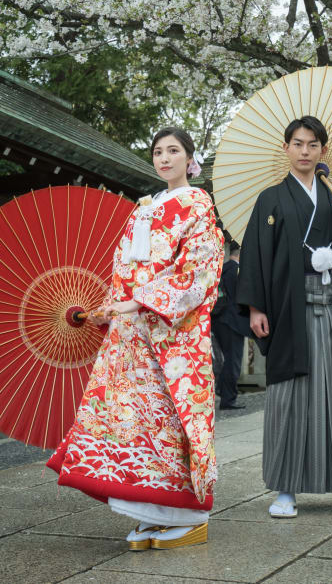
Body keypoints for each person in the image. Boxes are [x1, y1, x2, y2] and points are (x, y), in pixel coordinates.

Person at [47, 127, 224, 550]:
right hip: (129, 335)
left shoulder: (199, 206)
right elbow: (122, 272)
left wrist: (140, 301)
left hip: (169, 335)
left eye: (174, 151)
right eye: (158, 151)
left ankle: (186, 515)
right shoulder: (144, 208)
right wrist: (109, 309)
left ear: (190, 159)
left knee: (168, 420)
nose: (164, 158)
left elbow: (199, 273)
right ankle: (149, 510)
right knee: (130, 420)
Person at [236, 115, 332, 519]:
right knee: (290, 396)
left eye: (313, 145)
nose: (305, 151)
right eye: (298, 144)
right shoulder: (270, 199)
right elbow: (255, 254)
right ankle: (285, 490)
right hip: (290, 311)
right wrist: (255, 307)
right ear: (286, 148)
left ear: (323, 150)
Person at [213, 241, 252, 409]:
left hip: (219, 319)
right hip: (233, 320)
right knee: (233, 360)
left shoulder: (222, 269)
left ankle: (223, 390)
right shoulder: (236, 271)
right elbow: (241, 296)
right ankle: (228, 398)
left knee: (227, 358)